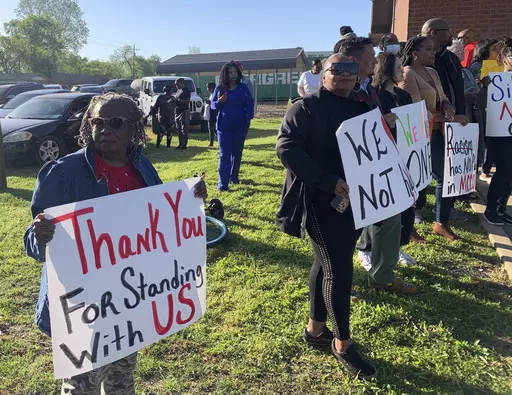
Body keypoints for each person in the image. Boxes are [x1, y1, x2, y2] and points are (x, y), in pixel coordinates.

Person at [23, 93, 207, 394]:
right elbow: (33, 245)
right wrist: (39, 234)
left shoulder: (143, 169)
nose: (105, 129)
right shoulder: (62, 173)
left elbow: (162, 224)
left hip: (128, 302)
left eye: (116, 123)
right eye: (97, 122)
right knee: (82, 387)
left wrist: (190, 200)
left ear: (134, 127)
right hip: (83, 306)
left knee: (122, 381)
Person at [276, 53, 376, 378]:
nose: (346, 75)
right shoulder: (304, 108)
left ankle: (315, 329)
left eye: (351, 69)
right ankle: (342, 343)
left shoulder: (361, 108)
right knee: (339, 268)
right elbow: (286, 148)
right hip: (317, 202)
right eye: (338, 69)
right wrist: (327, 182)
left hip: (353, 202)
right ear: (323, 74)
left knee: (327, 263)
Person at [337, 38, 410, 292]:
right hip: (348, 174)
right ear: (356, 60)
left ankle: (382, 277)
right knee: (342, 230)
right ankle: (337, 285)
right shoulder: (343, 89)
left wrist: (383, 122)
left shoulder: (369, 87)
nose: (376, 61)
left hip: (375, 167)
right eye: (371, 56)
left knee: (390, 218)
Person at [401, 35, 467, 241]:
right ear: (414, 54)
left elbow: (443, 97)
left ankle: (441, 222)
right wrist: (452, 117)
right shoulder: (407, 74)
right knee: (417, 181)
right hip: (419, 136)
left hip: (439, 132)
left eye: (432, 49)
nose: (433, 52)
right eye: (428, 49)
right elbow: (415, 109)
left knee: (445, 178)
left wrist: (447, 107)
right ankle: (408, 225)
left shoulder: (432, 71)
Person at [372, 51, 422, 275]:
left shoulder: (403, 95)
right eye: (399, 66)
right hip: (383, 160)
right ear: (386, 69)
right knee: (383, 212)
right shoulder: (373, 96)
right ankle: (369, 250)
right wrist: (383, 123)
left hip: (405, 157)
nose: (403, 70)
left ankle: (396, 248)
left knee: (407, 208)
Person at [212, 61, 254, 191]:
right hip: (224, 127)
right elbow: (213, 106)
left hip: (240, 127)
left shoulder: (243, 88)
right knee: (224, 155)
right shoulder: (220, 88)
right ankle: (223, 184)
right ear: (225, 74)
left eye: (235, 72)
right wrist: (219, 102)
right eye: (230, 72)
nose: (233, 74)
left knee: (237, 153)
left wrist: (248, 119)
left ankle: (233, 178)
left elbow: (250, 104)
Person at [483, 37, 512, 225]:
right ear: (506, 59)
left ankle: (501, 207)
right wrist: (484, 87)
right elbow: (479, 103)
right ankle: (490, 209)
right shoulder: (492, 79)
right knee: (504, 168)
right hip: (497, 132)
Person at [470, 39, 498, 180]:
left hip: (496, 108)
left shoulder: (501, 66)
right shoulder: (476, 67)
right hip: (481, 108)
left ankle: (487, 167)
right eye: (494, 49)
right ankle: (481, 169)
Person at [144, 84, 177, 148]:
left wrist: (148, 114)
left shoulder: (162, 97)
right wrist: (149, 114)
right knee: (166, 131)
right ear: (170, 90)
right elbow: (155, 107)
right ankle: (166, 145)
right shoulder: (170, 98)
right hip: (166, 117)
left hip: (166, 117)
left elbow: (155, 107)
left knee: (164, 132)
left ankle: (160, 145)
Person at [175, 77, 191, 150]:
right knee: (178, 128)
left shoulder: (187, 91)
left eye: (177, 84)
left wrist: (179, 100)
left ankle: (184, 144)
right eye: (176, 85)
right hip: (178, 110)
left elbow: (187, 101)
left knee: (184, 128)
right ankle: (180, 143)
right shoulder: (178, 90)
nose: (176, 86)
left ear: (182, 83)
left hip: (184, 110)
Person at [205, 81, 218, 147]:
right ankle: (211, 142)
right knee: (211, 129)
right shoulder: (212, 94)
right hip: (210, 114)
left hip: (214, 114)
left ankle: (216, 141)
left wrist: (209, 102)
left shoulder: (216, 94)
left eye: (208, 88)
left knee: (214, 129)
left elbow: (216, 104)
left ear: (211, 88)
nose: (207, 89)